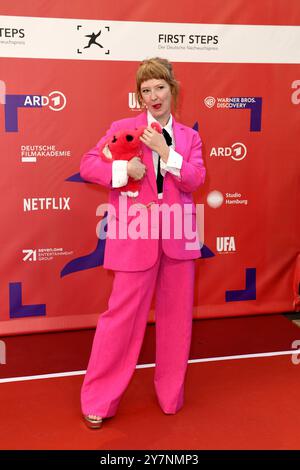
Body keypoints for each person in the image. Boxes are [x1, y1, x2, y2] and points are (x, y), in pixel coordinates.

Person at [79, 57, 206, 429]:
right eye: (146, 90)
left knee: (177, 322)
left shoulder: (189, 137)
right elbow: (89, 164)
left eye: (160, 88)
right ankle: (99, 400)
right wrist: (122, 170)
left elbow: (195, 179)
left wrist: (166, 153)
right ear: (139, 96)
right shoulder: (122, 128)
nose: (153, 96)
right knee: (120, 320)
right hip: (135, 236)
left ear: (173, 90)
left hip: (178, 239)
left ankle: (170, 396)